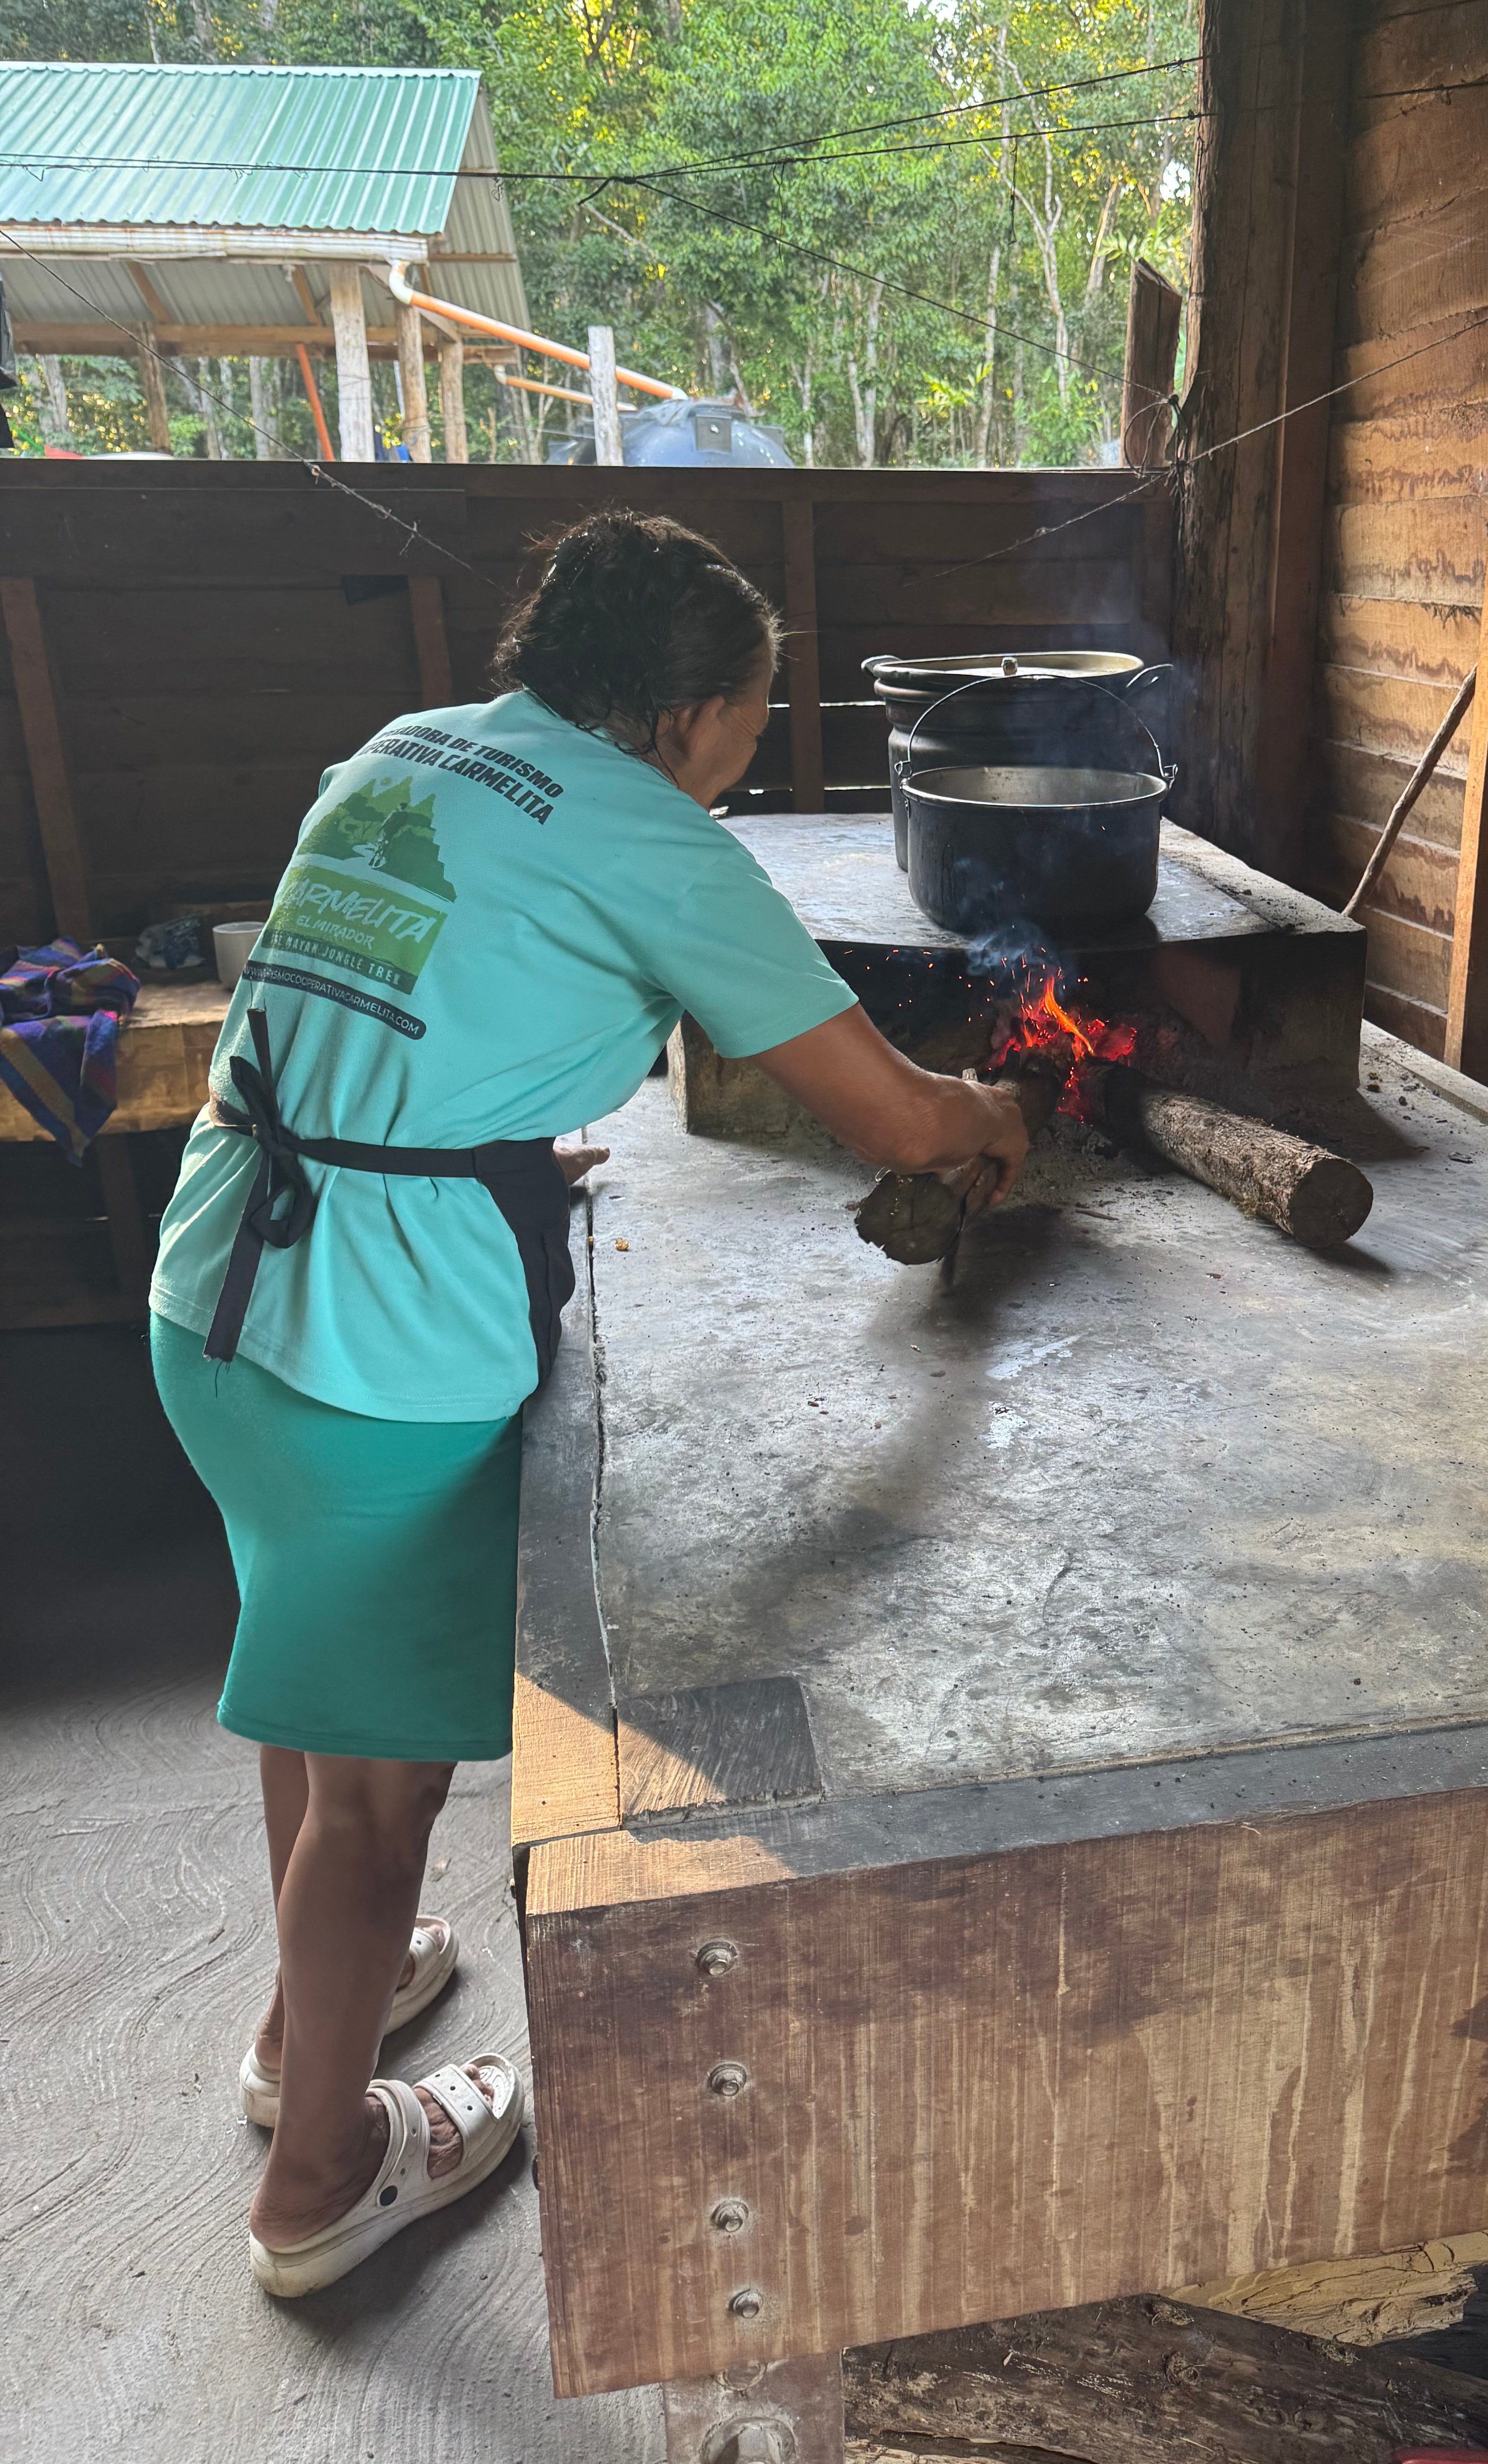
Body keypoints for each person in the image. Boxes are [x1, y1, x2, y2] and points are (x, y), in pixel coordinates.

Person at [148, 510, 1029, 2298]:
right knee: (380, 1792)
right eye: (751, 726)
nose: (746, 759)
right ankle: (319, 2172)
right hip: (376, 1353)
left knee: (304, 1679)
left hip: (219, 1280)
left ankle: (318, 2006)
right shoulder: (652, 833)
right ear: (695, 710)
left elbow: (403, 1008)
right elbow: (892, 1120)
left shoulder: (403, 755)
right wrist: (994, 1119)